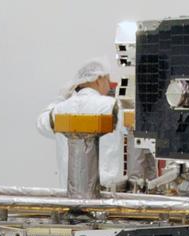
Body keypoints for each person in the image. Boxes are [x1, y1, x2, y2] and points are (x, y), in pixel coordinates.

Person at [36, 58, 125, 189]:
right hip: (103, 194)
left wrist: (60, 99)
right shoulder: (111, 106)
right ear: (98, 79)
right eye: (107, 79)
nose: (109, 84)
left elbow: (41, 124)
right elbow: (133, 128)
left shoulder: (60, 109)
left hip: (69, 194)